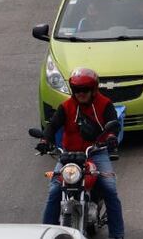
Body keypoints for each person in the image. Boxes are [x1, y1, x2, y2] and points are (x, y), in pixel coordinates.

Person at [38, 68, 125, 239]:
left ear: (94, 90)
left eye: (85, 90)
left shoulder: (104, 104)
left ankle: (117, 234)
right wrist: (44, 141)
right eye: (77, 90)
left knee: (110, 189)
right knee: (55, 190)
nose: (81, 94)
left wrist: (112, 137)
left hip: (96, 153)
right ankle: (46, 233)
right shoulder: (66, 106)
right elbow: (52, 126)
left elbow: (113, 124)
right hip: (68, 155)